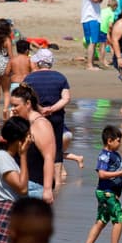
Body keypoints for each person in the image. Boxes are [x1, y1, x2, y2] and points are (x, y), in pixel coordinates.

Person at [80, 126, 122, 243]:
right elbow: (102, 174)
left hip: (110, 192)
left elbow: (118, 171)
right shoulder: (104, 156)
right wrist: (121, 173)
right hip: (106, 192)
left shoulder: (116, 155)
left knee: (102, 220)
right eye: (118, 141)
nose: (120, 143)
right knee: (120, 218)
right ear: (109, 141)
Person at [22, 48, 71, 187]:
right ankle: (57, 183)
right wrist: (51, 109)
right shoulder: (61, 77)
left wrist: (40, 108)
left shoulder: (29, 78)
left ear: (38, 62)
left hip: (36, 118)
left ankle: (36, 180)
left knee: (34, 147)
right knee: (57, 149)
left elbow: (24, 98)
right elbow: (66, 98)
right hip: (56, 117)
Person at [9, 85, 57, 203]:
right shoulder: (19, 123)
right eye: (11, 105)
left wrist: (47, 190)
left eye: (16, 105)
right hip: (17, 186)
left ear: (28, 104)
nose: (12, 109)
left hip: (35, 188)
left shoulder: (40, 124)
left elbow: (49, 157)